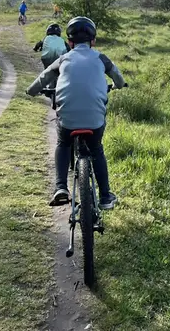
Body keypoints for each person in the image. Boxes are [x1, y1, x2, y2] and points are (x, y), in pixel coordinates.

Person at [26, 16, 126, 209]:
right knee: (96, 148)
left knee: (63, 143)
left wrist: (31, 91)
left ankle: (61, 187)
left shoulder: (63, 59)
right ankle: (105, 196)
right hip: (95, 120)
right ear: (93, 41)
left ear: (70, 42)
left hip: (68, 120)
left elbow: (43, 78)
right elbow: (119, 79)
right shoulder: (101, 58)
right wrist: (116, 85)